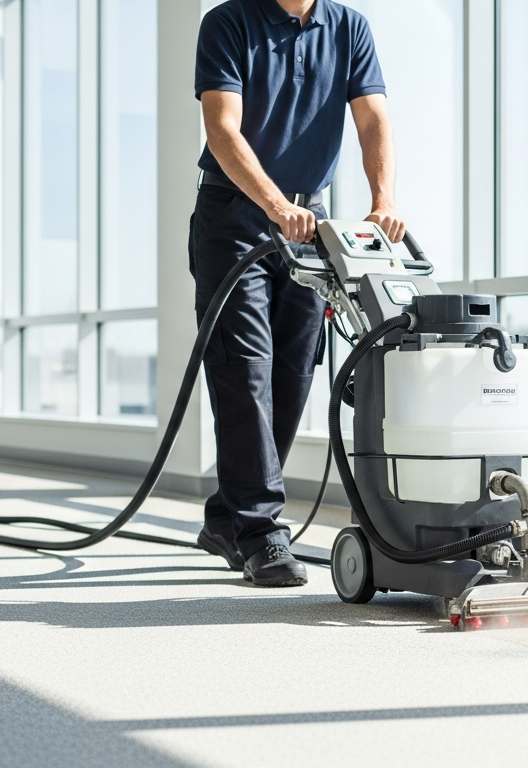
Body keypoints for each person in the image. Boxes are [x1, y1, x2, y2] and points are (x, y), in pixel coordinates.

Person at [189, 0, 406, 586]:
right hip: (235, 215)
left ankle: (227, 519)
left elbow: (371, 119)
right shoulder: (228, 23)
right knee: (245, 371)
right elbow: (221, 125)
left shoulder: (349, 27)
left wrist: (383, 199)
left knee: (292, 373)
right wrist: (275, 204)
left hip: (310, 224)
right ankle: (261, 532)